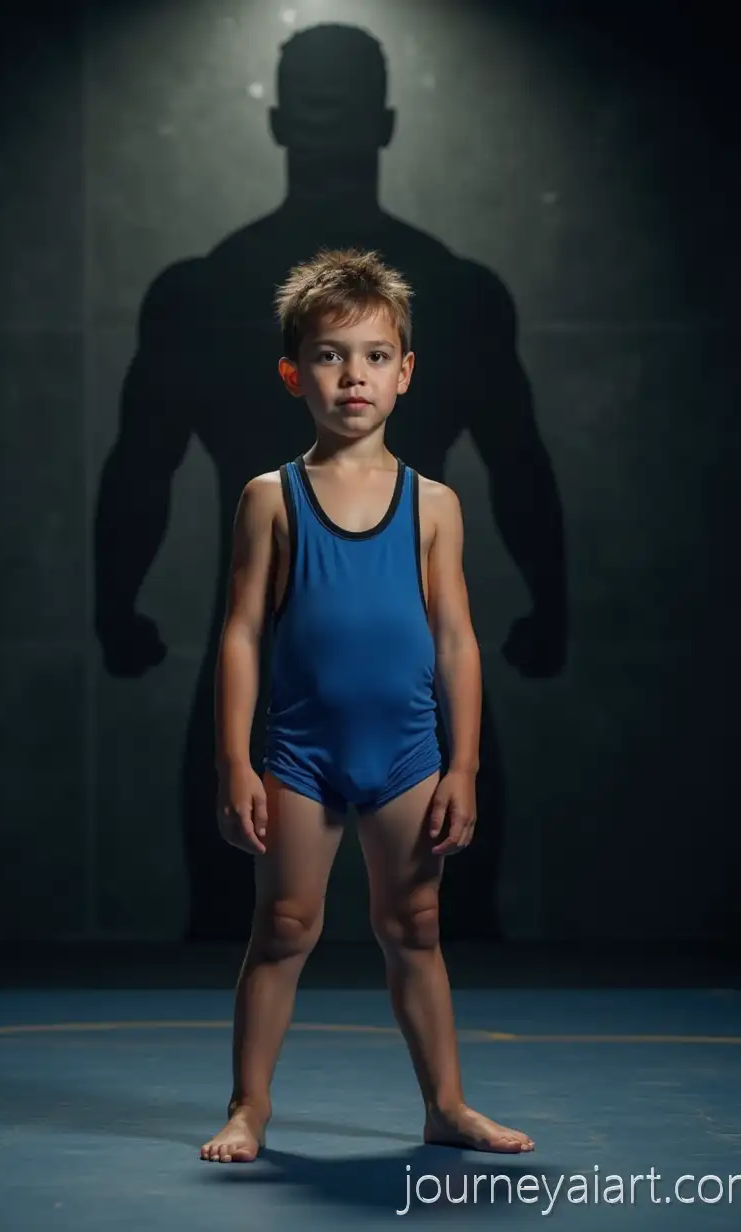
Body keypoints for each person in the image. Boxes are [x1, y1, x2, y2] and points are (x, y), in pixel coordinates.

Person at [201, 248, 534, 1163]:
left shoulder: (435, 505)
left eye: (376, 356)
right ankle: (249, 1108)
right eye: (329, 354)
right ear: (291, 372)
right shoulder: (271, 498)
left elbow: (458, 640)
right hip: (302, 752)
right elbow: (239, 635)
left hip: (407, 754)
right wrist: (236, 763)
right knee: (283, 928)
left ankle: (447, 1106)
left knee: (415, 926)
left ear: (407, 373)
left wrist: (462, 765)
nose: (354, 376)